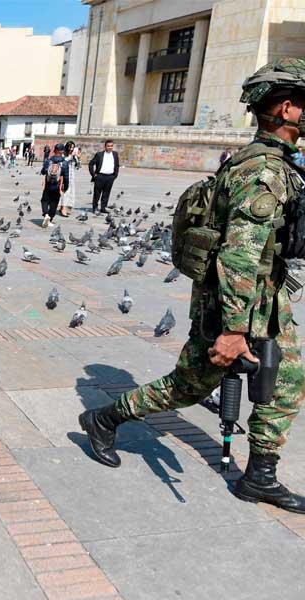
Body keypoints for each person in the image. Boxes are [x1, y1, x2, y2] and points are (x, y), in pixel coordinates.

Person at [79, 58, 305, 513]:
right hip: (235, 303)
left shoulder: (278, 164)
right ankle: (104, 418)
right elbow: (239, 253)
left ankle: (259, 476)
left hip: (267, 297)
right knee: (190, 386)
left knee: (286, 379)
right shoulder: (262, 171)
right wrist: (234, 329)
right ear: (284, 110)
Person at [39, 143, 68, 227]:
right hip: (57, 186)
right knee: (54, 203)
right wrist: (65, 187)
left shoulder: (48, 160)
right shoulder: (64, 163)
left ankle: (46, 215)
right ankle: (50, 218)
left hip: (48, 185)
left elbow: (43, 171)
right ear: (62, 152)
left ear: (54, 150)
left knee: (44, 200)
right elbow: (66, 177)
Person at [88, 139, 119, 214]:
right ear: (105, 146)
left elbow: (117, 165)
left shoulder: (115, 154)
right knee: (97, 193)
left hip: (110, 177)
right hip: (100, 176)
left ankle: (103, 208)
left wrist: (115, 175)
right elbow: (91, 164)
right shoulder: (99, 154)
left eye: (111, 146)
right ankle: (95, 207)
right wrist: (93, 174)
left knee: (106, 193)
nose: (110, 147)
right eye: (108, 146)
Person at [58, 141, 78, 218]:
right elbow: (62, 163)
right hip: (65, 175)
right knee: (65, 192)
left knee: (70, 193)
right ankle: (63, 209)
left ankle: (63, 208)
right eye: (70, 147)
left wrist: (77, 158)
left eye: (73, 147)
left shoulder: (73, 156)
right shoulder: (63, 155)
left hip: (72, 177)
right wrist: (70, 157)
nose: (71, 149)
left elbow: (77, 166)